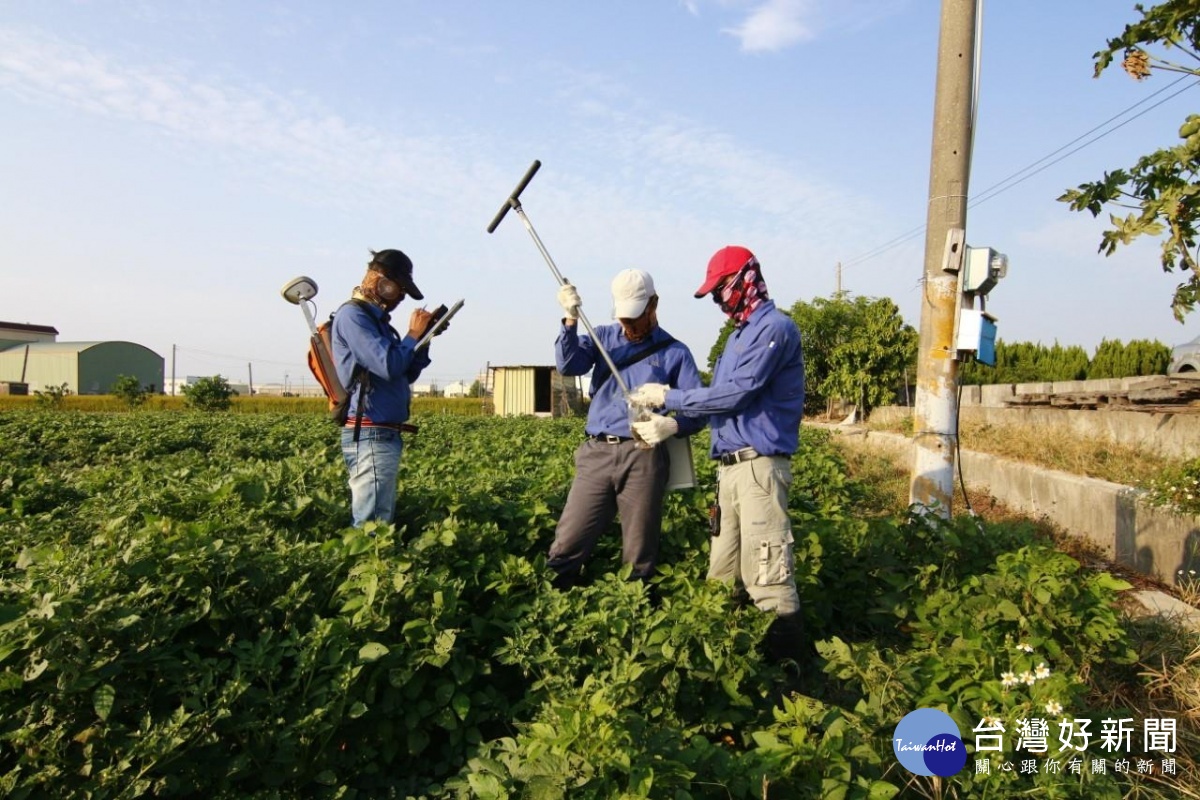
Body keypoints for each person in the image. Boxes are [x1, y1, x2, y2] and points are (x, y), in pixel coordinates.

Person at [629, 246, 806, 662]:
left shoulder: (775, 329)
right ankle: (728, 666)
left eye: (721, 289)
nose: (718, 300)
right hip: (730, 471)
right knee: (721, 573)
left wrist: (671, 397)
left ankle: (791, 674)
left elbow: (738, 393)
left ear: (745, 279)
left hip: (759, 469)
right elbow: (718, 401)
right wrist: (674, 422)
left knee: (768, 574)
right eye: (713, 294)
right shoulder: (737, 337)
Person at [549, 268, 705, 588]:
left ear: (653, 305)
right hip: (597, 453)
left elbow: (699, 410)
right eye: (623, 317)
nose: (628, 325)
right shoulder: (603, 337)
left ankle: (635, 609)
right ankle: (554, 597)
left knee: (639, 547)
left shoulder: (675, 352)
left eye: (635, 317)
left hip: (644, 456)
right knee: (569, 539)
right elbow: (569, 365)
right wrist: (569, 320)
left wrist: (672, 424)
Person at [332, 249, 437, 527]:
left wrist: (424, 340)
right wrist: (412, 334)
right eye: (398, 289)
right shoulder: (353, 316)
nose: (400, 297)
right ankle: (368, 570)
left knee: (379, 517)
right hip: (370, 432)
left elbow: (404, 372)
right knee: (373, 523)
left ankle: (375, 568)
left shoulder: (377, 323)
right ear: (380, 280)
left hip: (384, 433)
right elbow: (388, 364)